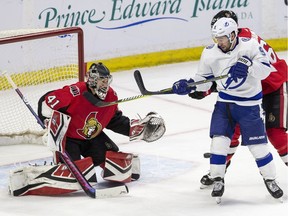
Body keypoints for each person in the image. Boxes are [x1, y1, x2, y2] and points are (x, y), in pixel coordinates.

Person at [9, 62, 166, 196]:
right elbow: (46, 102)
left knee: (120, 170)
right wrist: (47, 121)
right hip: (69, 140)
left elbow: (112, 119)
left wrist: (134, 129)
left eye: (106, 81)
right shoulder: (75, 92)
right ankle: (26, 180)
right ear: (92, 80)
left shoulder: (111, 96)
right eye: (101, 81)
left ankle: (128, 163)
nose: (105, 85)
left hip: (93, 138)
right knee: (78, 176)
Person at [172, 17, 283, 202]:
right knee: (219, 144)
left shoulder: (250, 45)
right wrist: (189, 85)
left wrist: (248, 66)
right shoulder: (209, 53)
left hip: (249, 107)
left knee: (258, 147)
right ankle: (218, 179)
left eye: (222, 38)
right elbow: (203, 80)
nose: (219, 42)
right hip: (224, 105)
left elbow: (265, 69)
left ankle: (270, 179)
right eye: (217, 38)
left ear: (233, 35)